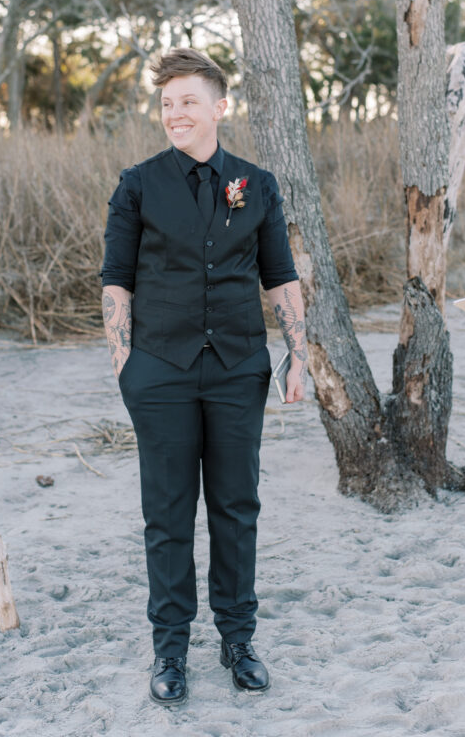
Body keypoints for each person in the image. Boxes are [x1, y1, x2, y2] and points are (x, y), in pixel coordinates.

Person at [101, 48, 307, 705]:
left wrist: (299, 353)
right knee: (165, 514)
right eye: (166, 104)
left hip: (237, 368)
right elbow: (116, 280)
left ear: (220, 106)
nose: (174, 113)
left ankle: (238, 639)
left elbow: (279, 276)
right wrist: (124, 364)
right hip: (158, 371)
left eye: (187, 101)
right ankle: (169, 649)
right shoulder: (137, 184)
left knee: (235, 507)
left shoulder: (257, 183)